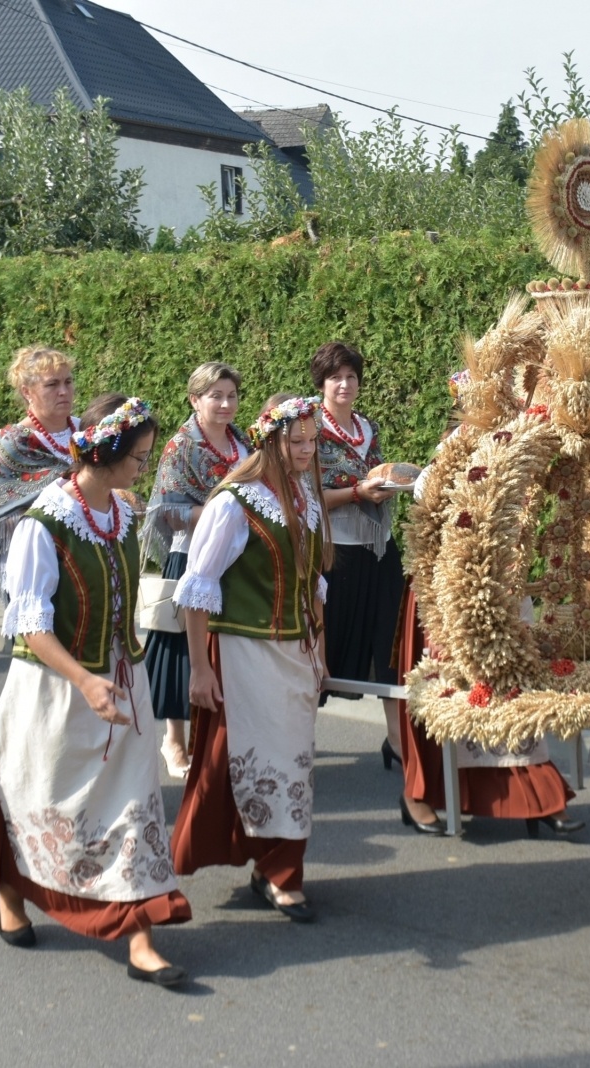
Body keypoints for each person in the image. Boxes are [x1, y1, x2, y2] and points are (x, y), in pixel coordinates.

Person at [0, 394, 192, 987]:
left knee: (133, 807)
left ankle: (140, 936)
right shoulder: (42, 526)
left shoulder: (122, 514)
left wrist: (112, 674)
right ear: (106, 454)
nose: (144, 468)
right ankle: (12, 889)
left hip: (123, 682)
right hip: (56, 690)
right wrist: (86, 680)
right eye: (138, 458)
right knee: (39, 801)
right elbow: (30, 624)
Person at [394, 373, 583, 837]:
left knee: (512, 681)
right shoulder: (452, 450)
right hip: (450, 588)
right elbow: (429, 512)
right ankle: (422, 794)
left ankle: (535, 794)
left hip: (504, 581)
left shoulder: (520, 443)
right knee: (453, 687)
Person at [172, 394, 331, 923]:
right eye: (296, 441)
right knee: (254, 762)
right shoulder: (233, 503)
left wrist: (321, 655)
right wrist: (200, 669)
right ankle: (279, 872)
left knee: (294, 764)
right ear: (270, 442)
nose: (306, 450)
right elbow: (197, 589)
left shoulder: (304, 498)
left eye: (312, 440)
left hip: (296, 652)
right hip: (244, 652)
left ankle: (277, 868)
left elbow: (313, 586)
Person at [141, 362, 252, 778]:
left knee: (225, 647)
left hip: (238, 558)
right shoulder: (181, 447)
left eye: (231, 396)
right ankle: (174, 739)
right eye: (215, 396)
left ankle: (219, 739)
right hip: (192, 554)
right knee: (182, 648)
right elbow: (166, 510)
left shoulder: (244, 442)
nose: (225, 404)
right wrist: (222, 515)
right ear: (195, 400)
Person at [310, 341, 403, 763]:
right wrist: (355, 493)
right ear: (321, 383)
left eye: (351, 376)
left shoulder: (368, 426)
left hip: (378, 547)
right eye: (335, 377)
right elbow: (303, 493)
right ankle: (300, 736)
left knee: (390, 641)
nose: (344, 384)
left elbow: (376, 470)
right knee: (323, 643)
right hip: (334, 550)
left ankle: (396, 741)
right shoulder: (308, 426)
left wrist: (387, 485)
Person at [0, 346, 78, 601]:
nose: (64, 391)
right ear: (27, 391)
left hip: (84, 556)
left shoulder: (86, 430)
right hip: (34, 562)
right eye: (52, 384)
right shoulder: (14, 443)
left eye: (68, 382)